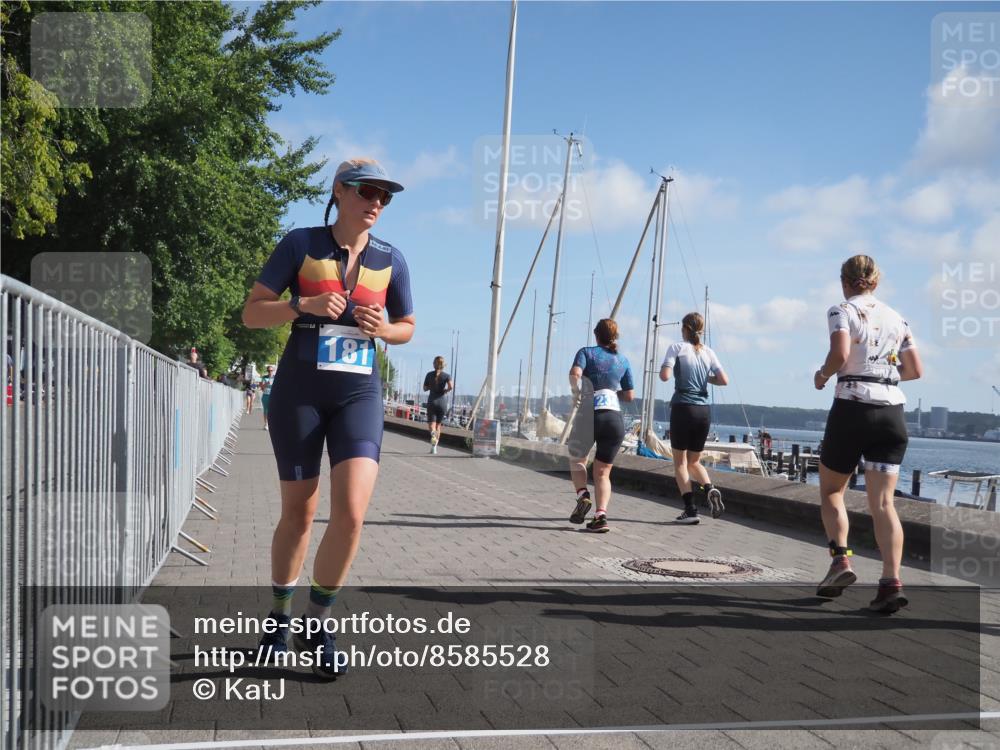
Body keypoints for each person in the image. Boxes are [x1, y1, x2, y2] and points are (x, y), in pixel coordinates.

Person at [241, 157, 413, 677]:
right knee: (299, 513)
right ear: (339, 191)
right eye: (367, 191)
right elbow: (252, 313)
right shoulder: (300, 243)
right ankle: (278, 619)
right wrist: (302, 307)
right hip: (300, 393)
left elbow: (407, 325)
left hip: (359, 394)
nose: (377, 202)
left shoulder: (392, 258)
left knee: (353, 513)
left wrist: (384, 330)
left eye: (385, 196)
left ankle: (318, 623)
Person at [814, 255, 922, 614]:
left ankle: (841, 561)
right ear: (876, 281)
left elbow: (840, 352)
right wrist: (883, 373)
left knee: (832, 490)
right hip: (892, 413)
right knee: (884, 505)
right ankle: (891, 584)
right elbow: (914, 369)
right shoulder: (898, 318)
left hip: (852, 407)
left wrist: (823, 374)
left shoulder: (841, 310)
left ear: (845, 280)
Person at [566, 319, 635, 533]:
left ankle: (583, 495)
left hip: (589, 414)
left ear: (596, 334)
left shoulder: (586, 352)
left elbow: (575, 374)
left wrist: (576, 391)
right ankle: (600, 516)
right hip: (614, 419)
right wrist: (612, 392)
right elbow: (630, 396)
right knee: (603, 473)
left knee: (577, 460)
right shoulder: (623, 360)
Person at [659, 312, 729, 525]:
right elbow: (723, 380)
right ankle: (710, 488)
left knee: (680, 463)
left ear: (685, 330)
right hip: (703, 412)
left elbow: (665, 376)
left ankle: (690, 509)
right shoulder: (709, 352)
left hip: (683, 409)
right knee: (695, 461)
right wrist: (704, 379)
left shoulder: (676, 348)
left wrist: (668, 369)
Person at [422, 356, 453, 454]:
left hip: (432, 401)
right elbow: (451, 386)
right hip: (442, 402)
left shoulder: (429, 374)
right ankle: (434, 447)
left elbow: (425, 388)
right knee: (438, 426)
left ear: (434, 364)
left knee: (432, 425)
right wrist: (445, 390)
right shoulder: (447, 375)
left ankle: (432, 434)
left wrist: (431, 387)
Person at [260, 365, 276, 430]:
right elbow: (262, 388)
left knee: (273, 410)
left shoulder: (276, 377)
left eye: (271, 370)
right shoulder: (264, 377)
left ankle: (272, 424)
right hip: (266, 395)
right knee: (266, 410)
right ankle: (266, 424)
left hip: (273, 396)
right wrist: (266, 383)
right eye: (269, 370)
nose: (270, 372)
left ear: (273, 371)